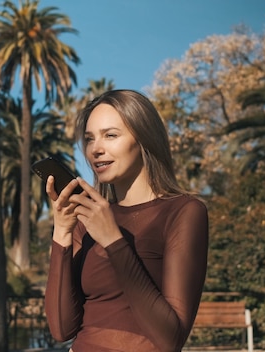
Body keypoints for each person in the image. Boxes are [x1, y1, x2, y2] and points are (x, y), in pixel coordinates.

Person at [44, 89, 208, 352]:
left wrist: (113, 241)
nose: (96, 149)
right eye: (89, 139)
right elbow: (62, 328)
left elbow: (170, 339)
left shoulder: (184, 211)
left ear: (144, 139)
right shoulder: (87, 220)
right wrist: (62, 232)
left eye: (110, 135)